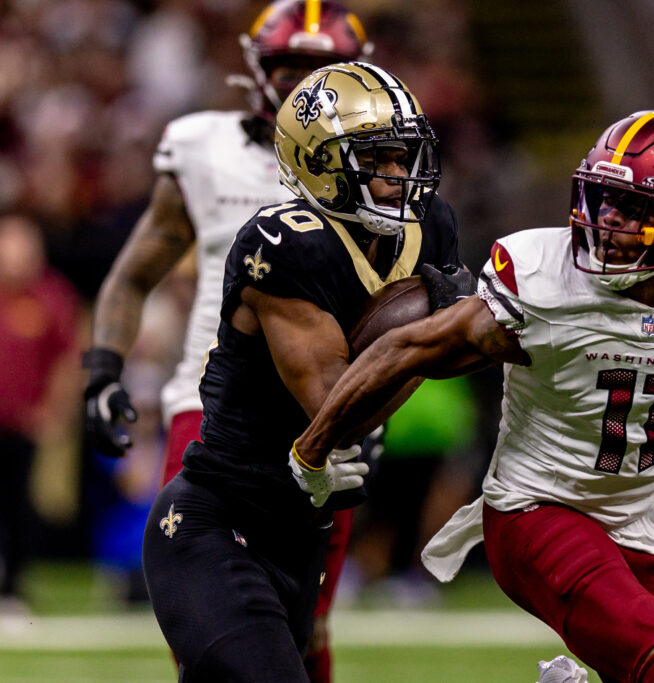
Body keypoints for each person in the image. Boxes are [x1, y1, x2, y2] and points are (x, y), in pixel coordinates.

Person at [292, 111, 654, 682]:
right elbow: (409, 346)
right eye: (602, 199)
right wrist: (312, 448)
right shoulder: (547, 285)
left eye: (633, 210)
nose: (606, 223)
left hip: (641, 521)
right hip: (537, 509)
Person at [140, 61, 467, 681]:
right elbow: (334, 405)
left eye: (405, 158)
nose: (400, 177)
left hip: (302, 529)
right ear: (318, 160)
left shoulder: (432, 227)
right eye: (380, 159)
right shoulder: (285, 239)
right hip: (218, 521)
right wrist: (438, 335)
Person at [80, 1, 370, 678]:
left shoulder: (380, 166)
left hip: (322, 410)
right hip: (209, 408)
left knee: (305, 619)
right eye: (291, 66)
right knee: (203, 616)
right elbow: (135, 271)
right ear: (257, 70)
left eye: (321, 70)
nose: (304, 85)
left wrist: (369, 397)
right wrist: (102, 368)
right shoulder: (203, 147)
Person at [0, 212, 81, 612]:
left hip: (22, 427)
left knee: (19, 509)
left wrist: (53, 413)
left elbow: (69, 361)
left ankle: (12, 589)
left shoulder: (52, 296)